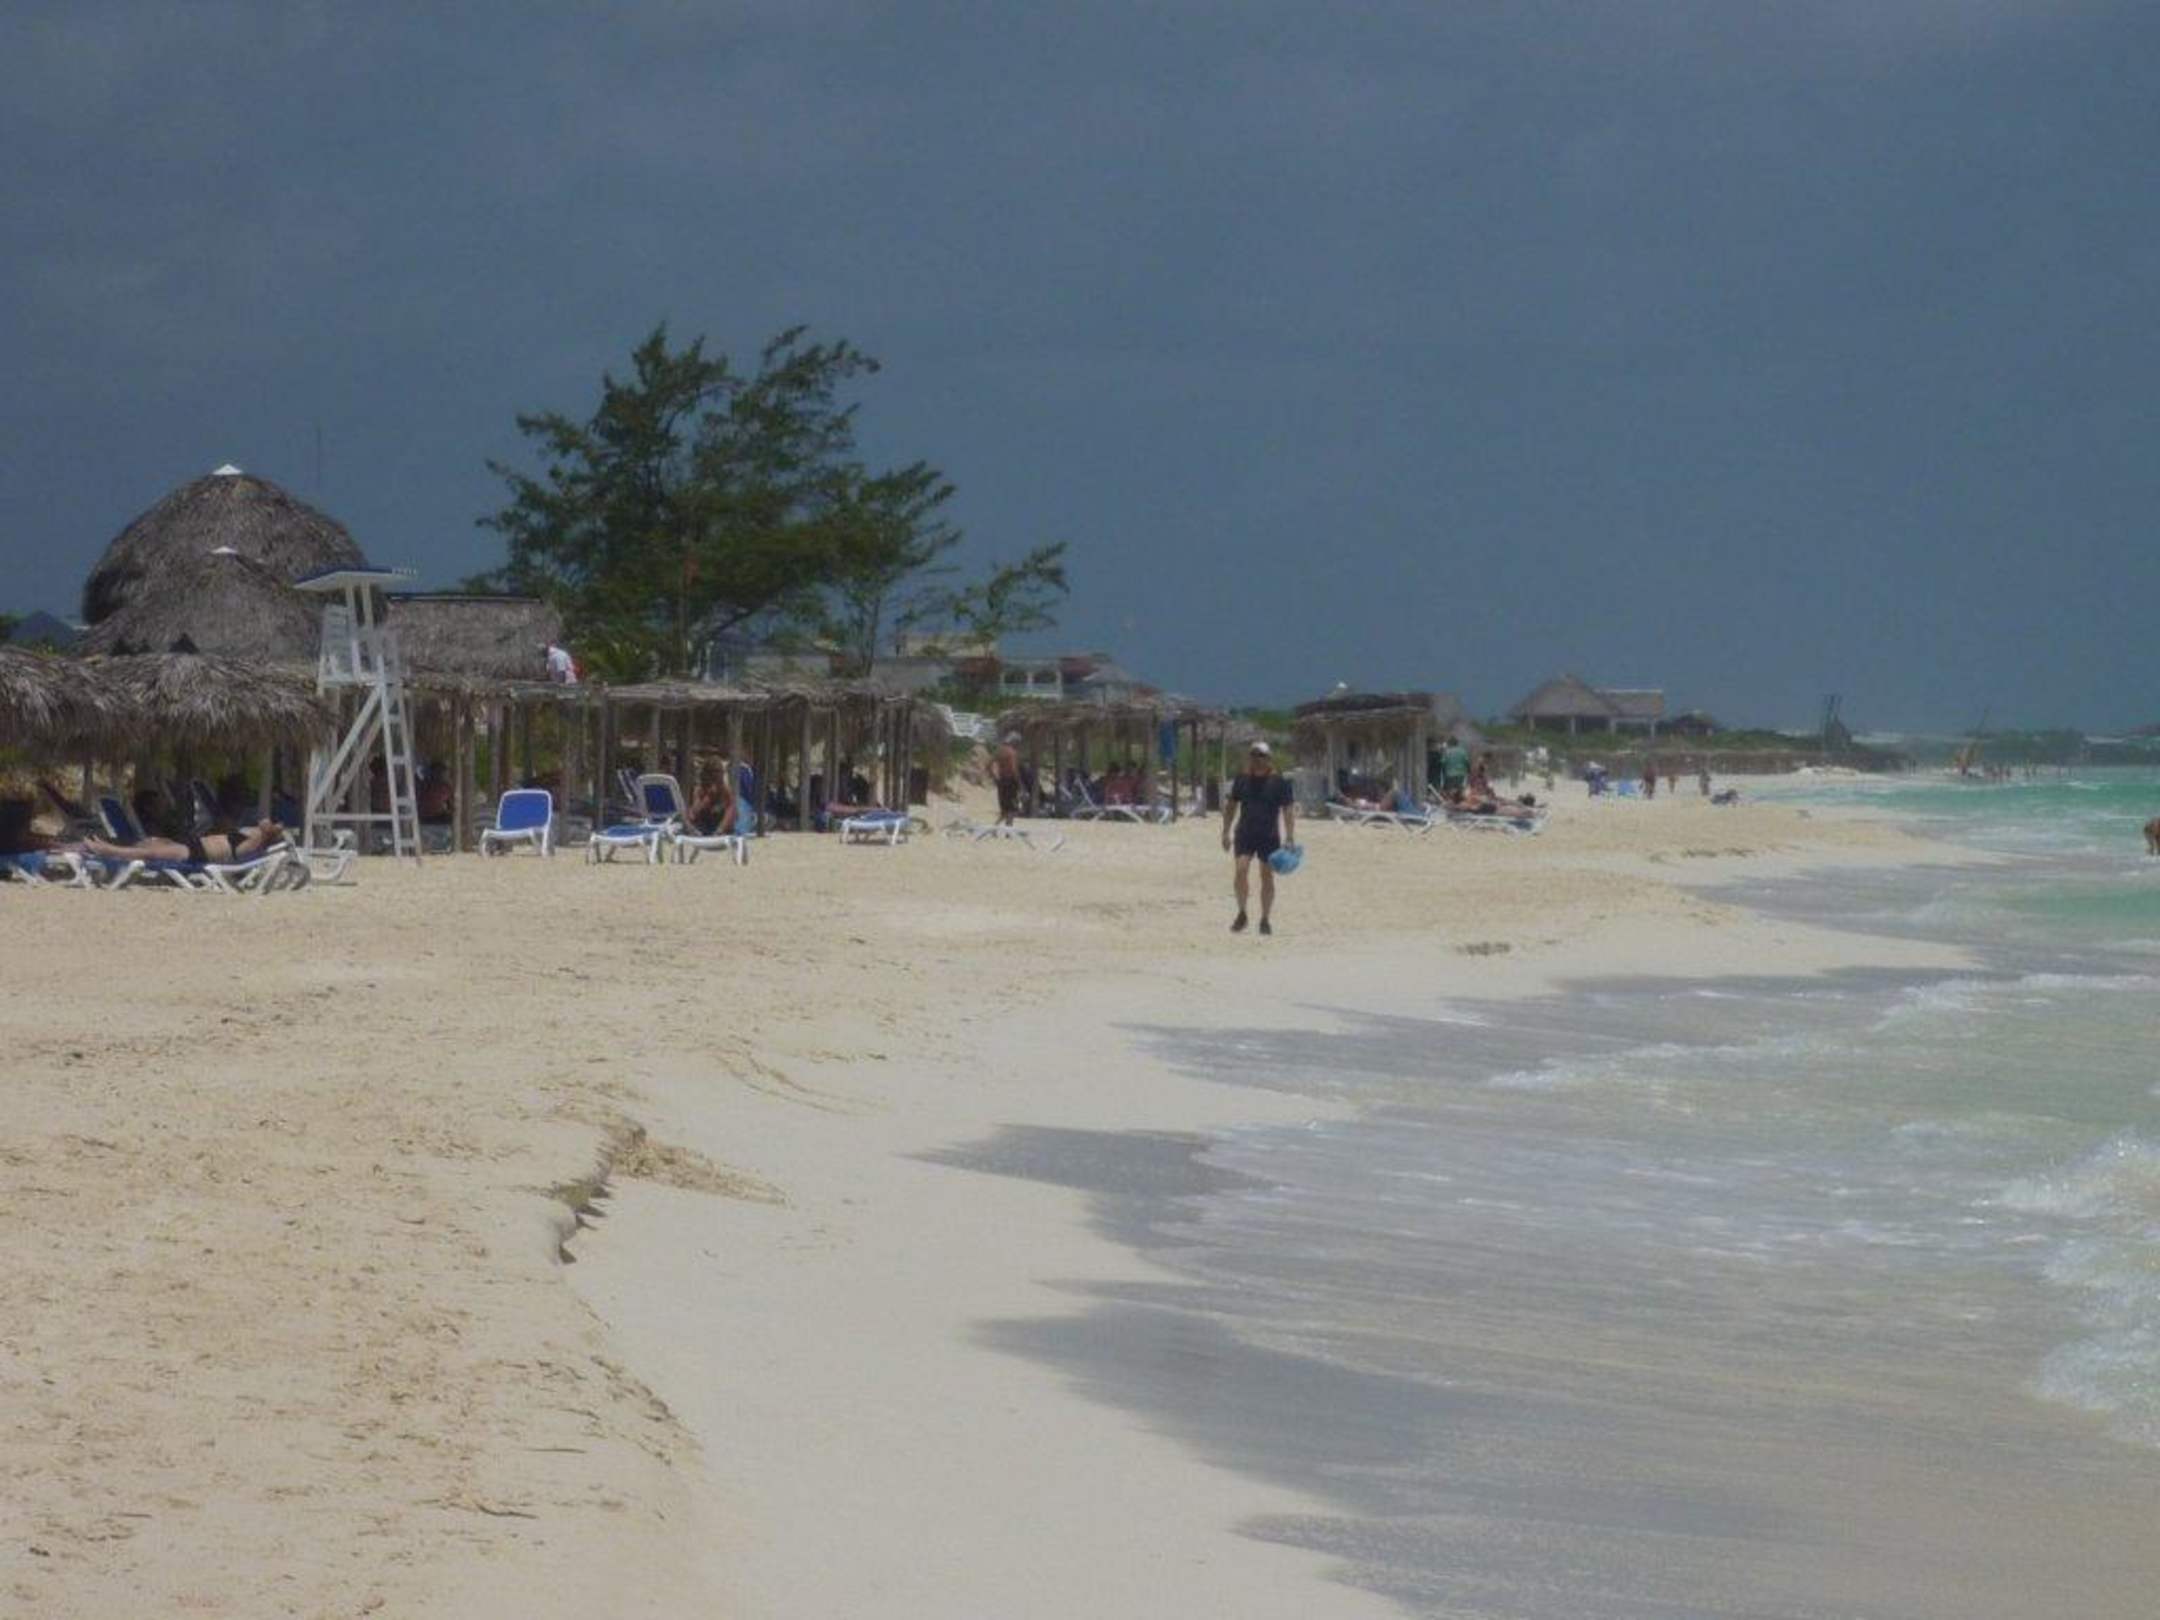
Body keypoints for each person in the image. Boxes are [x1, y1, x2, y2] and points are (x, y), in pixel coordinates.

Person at [1221, 740, 1295, 937]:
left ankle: (1265, 919)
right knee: (1240, 871)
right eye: (1253, 755)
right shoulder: (1242, 780)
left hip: (1269, 836)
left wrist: (1289, 836)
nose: (1257, 759)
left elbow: (1288, 809)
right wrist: (1225, 832)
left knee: (1266, 876)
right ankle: (1242, 913)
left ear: (1269, 758)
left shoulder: (1279, 782)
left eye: (1261, 755)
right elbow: (1231, 806)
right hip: (1245, 833)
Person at [685, 766, 737, 837]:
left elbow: (731, 813)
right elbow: (692, 816)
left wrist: (720, 830)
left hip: (721, 833)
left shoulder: (725, 791)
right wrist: (705, 801)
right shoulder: (699, 791)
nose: (714, 788)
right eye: (709, 784)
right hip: (702, 830)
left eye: (719, 782)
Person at [993, 734, 1023, 827]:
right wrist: (1019, 782)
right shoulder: (1012, 752)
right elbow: (1013, 769)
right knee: (1012, 808)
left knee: (1004, 809)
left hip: (1001, 780)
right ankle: (1008, 829)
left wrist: (995, 777)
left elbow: (990, 764)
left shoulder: (999, 751)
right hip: (1010, 781)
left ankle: (995, 827)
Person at [1439, 734, 1471, 803]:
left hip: (1449, 774)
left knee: (1450, 790)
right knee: (1459, 789)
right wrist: (1468, 771)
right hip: (1461, 773)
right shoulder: (1463, 751)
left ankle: (1450, 803)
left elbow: (1443, 762)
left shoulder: (1447, 752)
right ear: (1457, 743)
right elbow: (1467, 762)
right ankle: (1458, 802)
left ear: (1450, 743)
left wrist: (1443, 772)